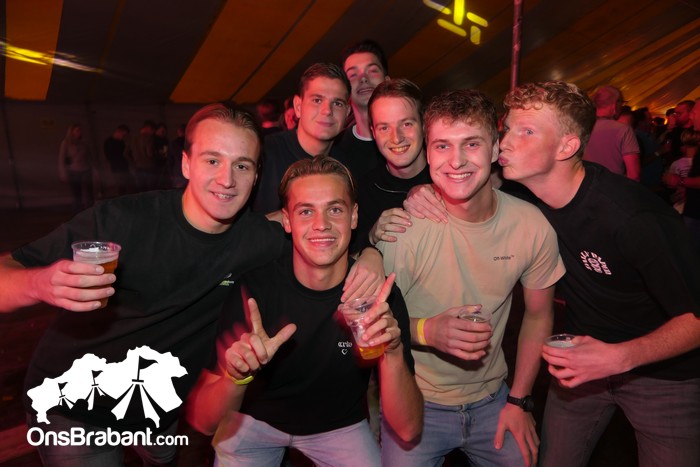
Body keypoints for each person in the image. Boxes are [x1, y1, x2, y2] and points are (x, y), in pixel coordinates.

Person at [0, 104, 384, 466]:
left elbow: (316, 232)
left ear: (256, 176)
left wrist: (370, 253)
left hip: (159, 402)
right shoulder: (123, 220)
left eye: (242, 165)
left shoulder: (259, 239)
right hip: (75, 404)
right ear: (186, 163)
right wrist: (40, 283)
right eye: (212, 160)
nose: (226, 180)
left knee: (164, 459)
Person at [497, 81, 700, 467]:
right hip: (582, 362)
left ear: (566, 147)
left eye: (526, 131)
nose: (505, 141)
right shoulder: (523, 197)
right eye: (507, 128)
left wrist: (621, 357)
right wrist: (418, 195)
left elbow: (696, 318)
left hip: (665, 375)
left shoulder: (632, 217)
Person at [187, 156, 422, 466]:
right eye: (306, 211)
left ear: (354, 216)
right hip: (254, 422)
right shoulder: (254, 291)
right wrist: (236, 377)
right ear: (287, 221)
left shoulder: (378, 297)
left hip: (339, 425)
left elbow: (408, 429)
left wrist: (392, 352)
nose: (321, 224)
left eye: (334, 209)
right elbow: (204, 422)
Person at [378, 89, 565, 467]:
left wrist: (519, 401)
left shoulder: (531, 226)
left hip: (493, 399)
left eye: (472, 144)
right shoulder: (404, 231)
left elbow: (538, 315)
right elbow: (365, 325)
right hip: (416, 400)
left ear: (495, 149)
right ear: (427, 153)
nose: (457, 160)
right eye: (442, 146)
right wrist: (426, 331)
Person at [251, 63, 351, 214]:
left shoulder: (348, 166)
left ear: (347, 113)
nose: (327, 111)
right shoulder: (263, 154)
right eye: (317, 100)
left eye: (337, 103)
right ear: (298, 106)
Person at [353, 78, 430, 253]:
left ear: (424, 125)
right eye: (384, 128)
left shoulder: (451, 178)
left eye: (406, 124)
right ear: (373, 132)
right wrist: (371, 238)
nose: (396, 138)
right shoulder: (362, 194)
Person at [333, 39, 389, 180]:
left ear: (388, 81)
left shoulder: (416, 137)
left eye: (372, 71)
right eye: (353, 74)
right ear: (344, 90)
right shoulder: (335, 151)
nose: (363, 78)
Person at [582, 85, 640, 180]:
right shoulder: (624, 130)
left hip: (585, 186)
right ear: (615, 104)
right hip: (613, 187)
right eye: (621, 103)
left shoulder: (581, 128)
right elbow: (634, 175)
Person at [58, 123, 94, 211]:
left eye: (80, 130)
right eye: (77, 130)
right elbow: (62, 159)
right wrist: (63, 173)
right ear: (72, 132)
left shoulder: (84, 143)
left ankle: (90, 210)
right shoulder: (66, 143)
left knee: (89, 193)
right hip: (73, 171)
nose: (79, 132)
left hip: (85, 169)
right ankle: (78, 212)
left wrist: (94, 169)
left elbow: (90, 157)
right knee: (77, 194)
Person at [127, 120, 159, 192]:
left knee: (141, 189)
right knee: (151, 190)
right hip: (149, 167)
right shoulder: (149, 138)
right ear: (149, 128)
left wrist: (132, 162)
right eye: (153, 130)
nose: (153, 133)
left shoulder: (132, 138)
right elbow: (150, 153)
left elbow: (126, 153)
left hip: (137, 167)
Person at [103, 124, 132, 196]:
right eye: (123, 135)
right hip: (117, 168)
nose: (124, 137)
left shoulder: (121, 142)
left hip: (124, 168)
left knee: (127, 187)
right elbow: (109, 157)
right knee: (121, 188)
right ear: (118, 132)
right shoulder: (109, 142)